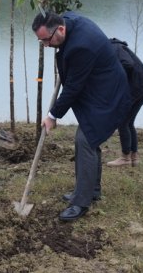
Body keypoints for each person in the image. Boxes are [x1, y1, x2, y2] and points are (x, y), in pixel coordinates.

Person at [33, 11, 131, 222]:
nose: (45, 45)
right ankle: (91, 190)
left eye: (46, 40)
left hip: (108, 95)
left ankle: (81, 202)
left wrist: (52, 115)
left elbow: (73, 88)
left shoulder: (82, 46)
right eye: (40, 41)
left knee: (85, 140)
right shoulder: (68, 21)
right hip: (97, 89)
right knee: (90, 139)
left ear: (60, 30)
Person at [106, 38, 143, 167]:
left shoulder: (114, 47)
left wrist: (117, 81)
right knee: (129, 122)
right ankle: (134, 156)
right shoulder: (115, 47)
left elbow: (127, 64)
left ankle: (125, 157)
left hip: (138, 87)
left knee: (122, 121)